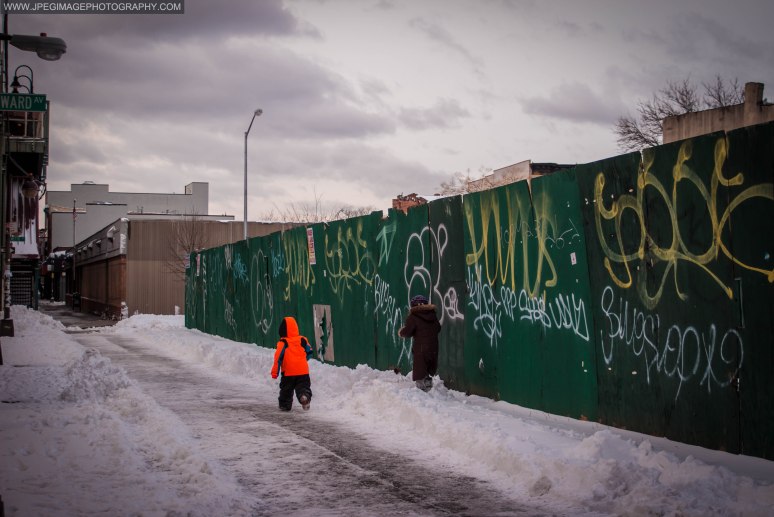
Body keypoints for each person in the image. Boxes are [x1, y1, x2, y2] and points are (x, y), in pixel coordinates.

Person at [398, 295, 441, 391]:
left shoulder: (413, 317)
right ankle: (428, 385)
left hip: (421, 348)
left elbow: (408, 331)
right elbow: (438, 328)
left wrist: (401, 332)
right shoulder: (433, 315)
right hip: (433, 347)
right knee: (428, 367)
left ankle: (422, 392)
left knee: (420, 369)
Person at [271, 316, 314, 411]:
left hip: (288, 373)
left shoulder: (283, 343)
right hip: (303, 372)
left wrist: (275, 372)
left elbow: (278, 358)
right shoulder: (302, 340)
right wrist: (302, 360)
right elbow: (310, 352)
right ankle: (304, 397)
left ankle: (285, 406)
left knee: (286, 391)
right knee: (303, 387)